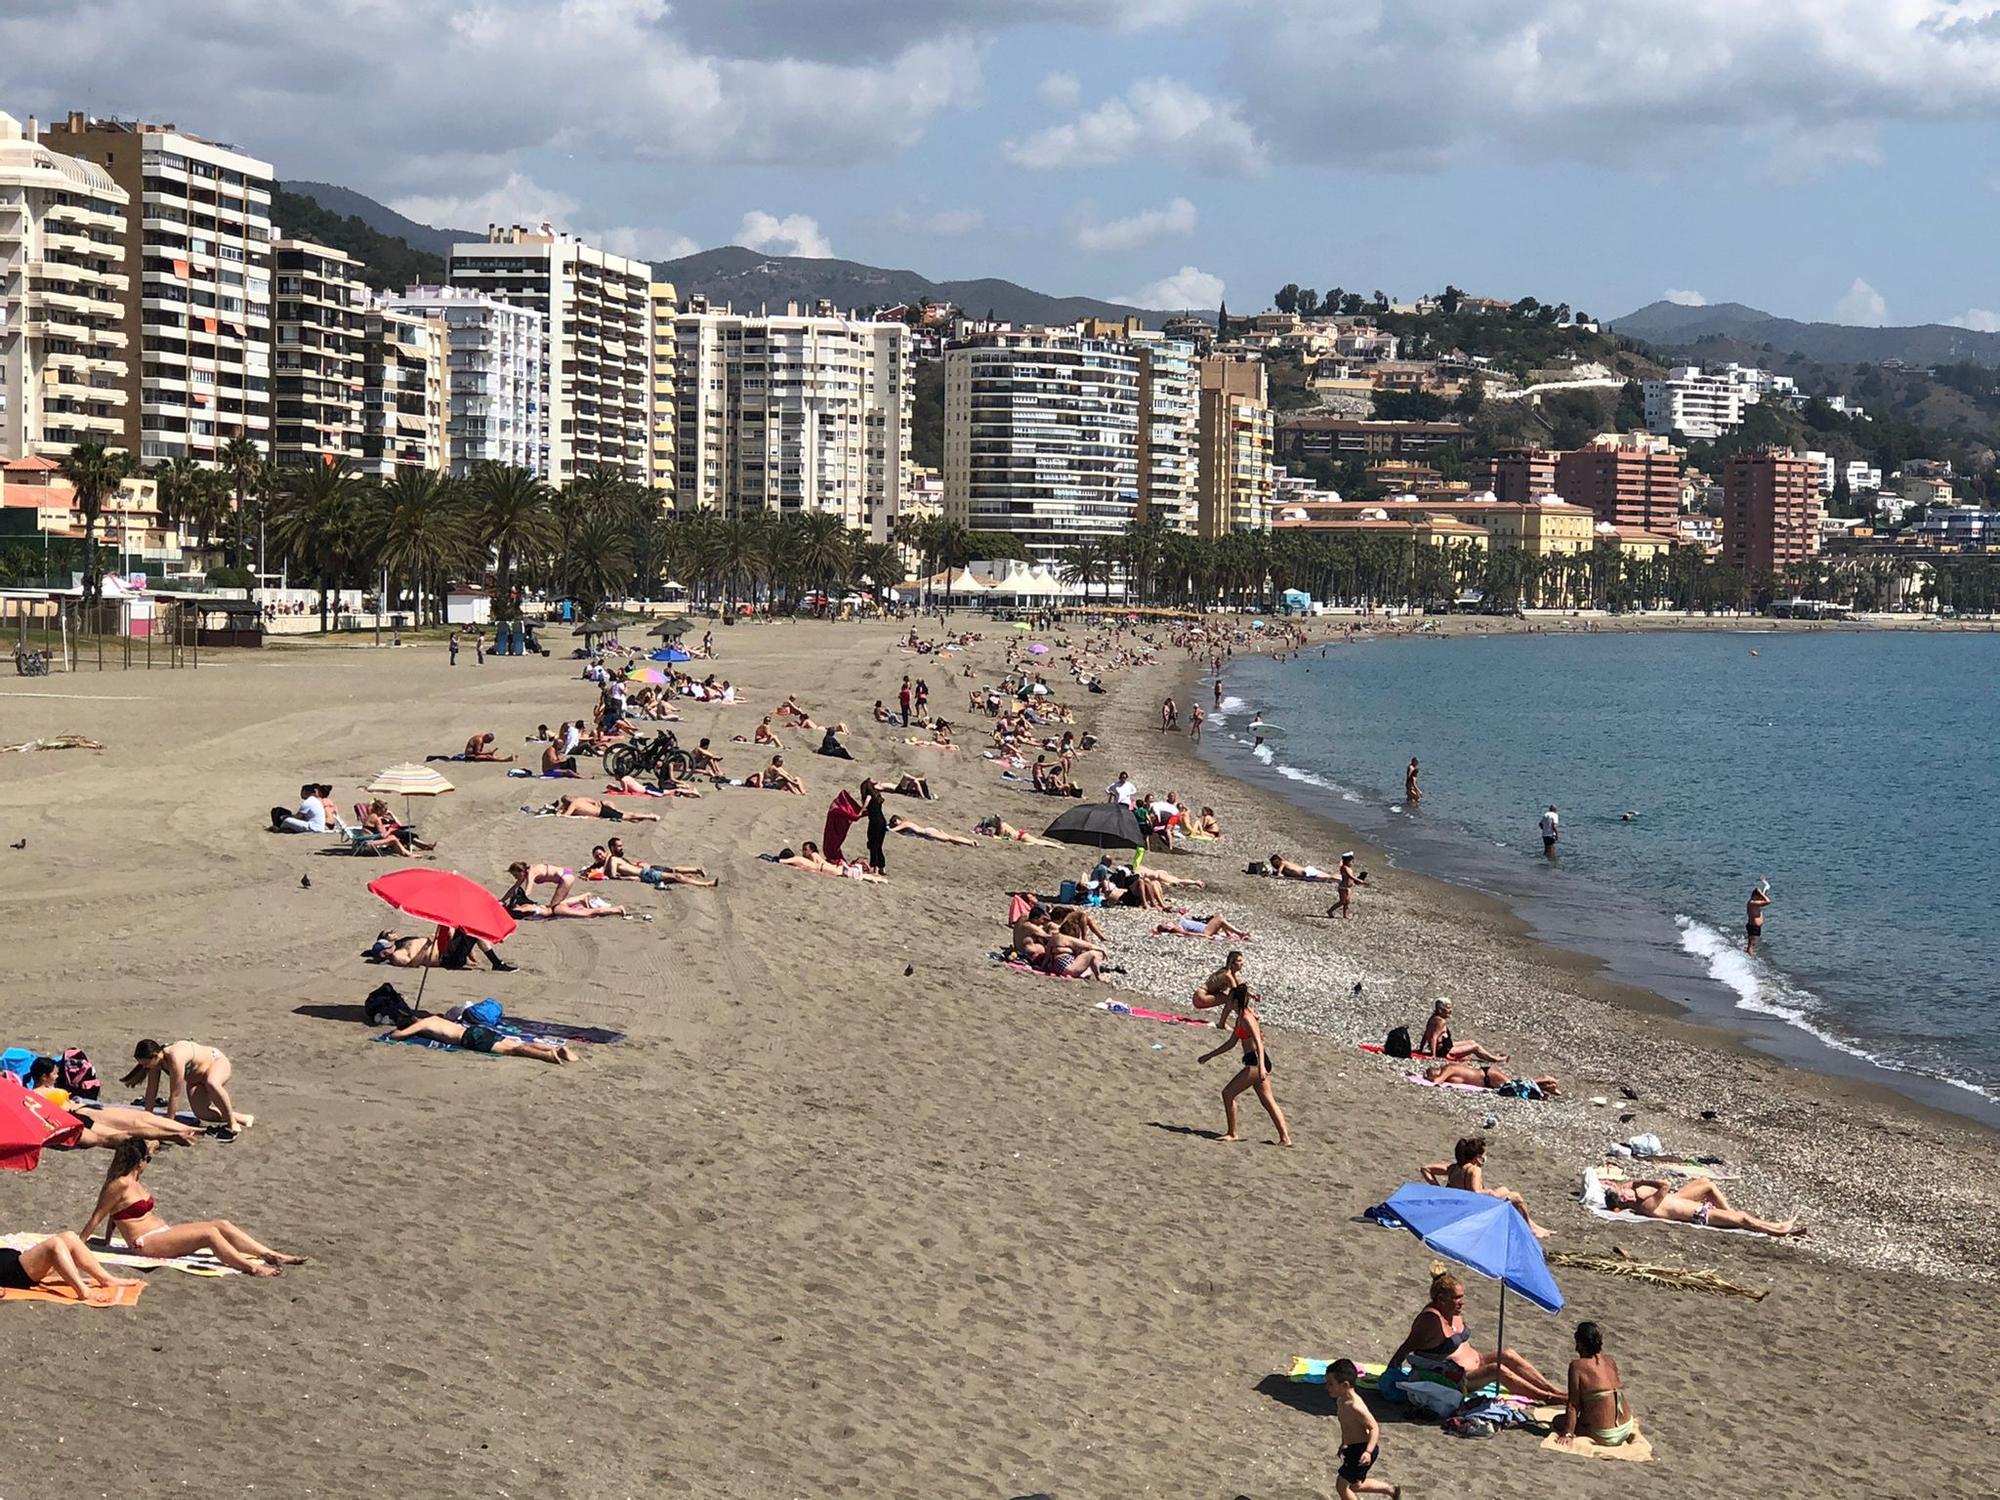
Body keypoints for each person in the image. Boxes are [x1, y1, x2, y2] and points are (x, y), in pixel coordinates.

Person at [81, 1141, 306, 1276]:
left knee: (221, 1224)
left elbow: (115, 1214)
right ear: (138, 1160)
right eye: (147, 1158)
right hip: (145, 1242)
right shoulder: (118, 1184)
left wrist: (108, 1240)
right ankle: (251, 1267)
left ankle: (270, 1254)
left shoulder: (134, 1180)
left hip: (161, 1233)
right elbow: (99, 1215)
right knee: (209, 1234)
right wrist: (80, 1244)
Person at [1386, 1267, 1565, 1404]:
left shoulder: (1453, 1312)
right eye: (1457, 1298)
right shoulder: (1430, 1321)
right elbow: (1406, 1347)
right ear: (1441, 1299)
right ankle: (1548, 1397)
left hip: (1478, 1360)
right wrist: (1389, 1374)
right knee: (1498, 1369)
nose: (1461, 1302)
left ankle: (1551, 1389)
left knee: (1508, 1354)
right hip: (1458, 1378)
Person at [1196, 986, 1291, 1146]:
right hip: (1254, 1061)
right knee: (1268, 1101)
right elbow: (1231, 1043)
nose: (1227, 1002)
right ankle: (1285, 1138)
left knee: (1228, 1093)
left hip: (1256, 1062)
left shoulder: (1247, 1018)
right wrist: (1209, 1055)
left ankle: (1232, 1133)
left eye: (1230, 999)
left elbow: (1259, 1043)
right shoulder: (1241, 1017)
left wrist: (1261, 1067)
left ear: (1235, 1001)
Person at [1420, 1135, 1550, 1239]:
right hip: (1473, 1208)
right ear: (1477, 1157)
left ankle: (1534, 1225)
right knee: (1517, 1198)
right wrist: (1490, 1192)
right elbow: (1476, 1193)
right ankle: (1530, 1229)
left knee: (1504, 1189)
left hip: (1458, 1204)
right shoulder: (1474, 1170)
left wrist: (1438, 1190)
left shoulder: (1453, 1168)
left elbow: (1425, 1168)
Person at [1602, 1176, 1804, 1238]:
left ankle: (1776, 1225)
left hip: (1695, 1209)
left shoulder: (1639, 1201)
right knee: (1742, 1218)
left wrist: (1622, 1186)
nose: (1627, 1192)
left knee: (1706, 1184)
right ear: (1625, 1202)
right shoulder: (1646, 1204)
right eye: (1624, 1195)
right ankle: (1776, 1231)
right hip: (1700, 1215)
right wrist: (1638, 1182)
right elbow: (1665, 1185)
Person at [122, 1040, 245, 1140]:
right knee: (202, 1114)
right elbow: (151, 1091)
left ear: (155, 1056)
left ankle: (232, 1124)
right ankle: (242, 1118)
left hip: (216, 1062)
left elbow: (175, 1094)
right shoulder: (155, 1063)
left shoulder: (174, 1057)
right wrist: (147, 1118)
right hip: (196, 1080)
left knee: (212, 1083)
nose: (144, 1067)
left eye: (145, 1063)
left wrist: (168, 1124)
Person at [1325, 1359, 1399, 1499]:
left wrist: (1368, 1451)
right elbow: (1347, 1426)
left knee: (1341, 1486)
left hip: (1362, 1450)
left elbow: (1374, 1428)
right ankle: (1391, 1490)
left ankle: (1390, 1490)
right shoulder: (1341, 1400)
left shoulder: (1355, 1406)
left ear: (1345, 1385)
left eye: (1331, 1384)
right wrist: (1344, 1443)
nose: (1327, 1387)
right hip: (1352, 1448)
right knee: (1355, 1485)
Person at [0, 1231, 144, 1301]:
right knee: (55, 1245)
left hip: (15, 1260)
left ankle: (106, 1279)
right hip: (15, 1271)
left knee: (69, 1237)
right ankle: (83, 1291)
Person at [1559, 1322, 1636, 1448]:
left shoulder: (1577, 1366)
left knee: (1558, 1421)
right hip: (1626, 1426)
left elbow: (1573, 1405)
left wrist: (1568, 1434)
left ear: (1580, 1344)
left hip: (1605, 1435)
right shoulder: (1610, 1361)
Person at [389, 1015, 576, 1063]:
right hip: (475, 1029)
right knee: (518, 1044)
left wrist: (395, 1032)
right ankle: (560, 1051)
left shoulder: (425, 1024)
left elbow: (399, 1035)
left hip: (469, 1038)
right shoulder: (436, 1018)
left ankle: (547, 1056)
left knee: (511, 1051)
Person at [370, 926, 518, 973]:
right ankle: (497, 963)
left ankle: (495, 962)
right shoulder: (396, 956)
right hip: (447, 958)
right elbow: (414, 964)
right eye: (386, 946)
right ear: (384, 953)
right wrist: (428, 944)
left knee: (466, 927)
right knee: (474, 932)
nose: (390, 945)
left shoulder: (400, 944)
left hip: (446, 949)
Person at [591, 839, 717, 887]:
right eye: (597, 856)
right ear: (612, 848)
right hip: (644, 874)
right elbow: (614, 877)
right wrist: (631, 878)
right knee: (676, 876)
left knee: (675, 875)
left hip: (645, 871)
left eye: (601, 854)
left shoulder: (613, 859)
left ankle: (696, 876)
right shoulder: (612, 860)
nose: (600, 856)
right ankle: (705, 884)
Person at [1418, 1000, 1506, 1063]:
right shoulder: (1441, 1022)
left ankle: (1492, 1057)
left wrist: (1420, 1049)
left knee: (1471, 1042)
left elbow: (1426, 1034)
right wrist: (1433, 1055)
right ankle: (1496, 1059)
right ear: (1441, 1010)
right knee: (1475, 1047)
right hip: (1444, 1050)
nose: (1450, 1010)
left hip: (1445, 1046)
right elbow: (1434, 1037)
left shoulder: (1433, 1018)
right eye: (1448, 1008)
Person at [1421, 1061, 1561, 1097]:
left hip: (1487, 1076)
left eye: (1432, 1072)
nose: (1432, 1074)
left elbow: (1437, 1081)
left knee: (1513, 1085)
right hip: (1485, 1077)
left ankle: (1542, 1079)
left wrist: (1428, 1079)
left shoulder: (1448, 1069)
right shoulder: (1450, 1070)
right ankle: (1546, 1087)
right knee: (1513, 1088)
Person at [1192, 950, 1249, 1023]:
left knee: (1231, 997)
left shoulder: (1229, 972)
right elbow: (1237, 992)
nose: (1242, 963)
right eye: (1239, 961)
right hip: (1201, 997)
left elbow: (1240, 988)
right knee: (1230, 999)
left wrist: (1252, 995)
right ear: (1232, 963)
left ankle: (1225, 1023)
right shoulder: (1227, 975)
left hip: (1200, 996)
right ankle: (1223, 1023)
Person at [503, 860, 577, 910]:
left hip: (565, 878)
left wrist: (519, 903)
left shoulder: (531, 872)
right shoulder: (525, 873)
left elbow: (528, 889)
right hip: (566, 876)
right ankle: (580, 902)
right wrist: (502, 900)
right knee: (558, 906)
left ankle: (582, 899)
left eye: (516, 875)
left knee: (553, 909)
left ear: (521, 871)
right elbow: (514, 888)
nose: (515, 877)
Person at [554, 794, 659, 822]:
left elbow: (566, 816)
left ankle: (649, 816)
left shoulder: (574, 805)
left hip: (601, 813)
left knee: (627, 816)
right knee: (626, 815)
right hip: (602, 809)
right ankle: (646, 817)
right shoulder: (580, 799)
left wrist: (560, 812)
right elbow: (595, 802)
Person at [973, 815, 1063, 848]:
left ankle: (1056, 846)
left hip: (1022, 836)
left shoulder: (1002, 827)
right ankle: (1054, 845)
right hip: (1020, 837)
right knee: (1036, 842)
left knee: (1038, 842)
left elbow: (1003, 838)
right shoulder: (1001, 826)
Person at [887, 814, 977, 846]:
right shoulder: (905, 825)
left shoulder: (906, 823)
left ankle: (970, 842)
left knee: (950, 838)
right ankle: (968, 842)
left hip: (927, 832)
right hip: (927, 833)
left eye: (895, 821)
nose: (895, 823)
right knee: (950, 839)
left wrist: (889, 828)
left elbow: (893, 830)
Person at [862, 781, 889, 874]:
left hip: (874, 822)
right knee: (879, 846)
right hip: (882, 822)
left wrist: (860, 811)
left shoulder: (869, 796)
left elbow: (866, 804)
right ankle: (882, 867)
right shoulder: (877, 795)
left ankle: (874, 868)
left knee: (873, 845)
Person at [1154, 913, 1250, 939]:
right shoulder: (1177, 928)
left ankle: (1229, 934)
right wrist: (1204, 936)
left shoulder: (1178, 925)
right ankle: (1240, 933)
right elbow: (1188, 934)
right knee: (1220, 918)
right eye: (1166, 924)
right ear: (1169, 928)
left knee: (1219, 918)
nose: (1168, 922)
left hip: (1205, 927)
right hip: (1205, 930)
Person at [1328, 852, 1366, 919]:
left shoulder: (1349, 868)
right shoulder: (1344, 868)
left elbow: (1350, 878)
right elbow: (1350, 876)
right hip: (1343, 887)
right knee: (1342, 901)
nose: (1352, 863)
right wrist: (1358, 880)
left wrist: (1357, 879)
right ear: (1347, 861)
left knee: (1347, 902)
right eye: (1351, 861)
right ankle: (1330, 911)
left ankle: (1345, 914)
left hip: (1348, 888)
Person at [1746, 881, 1771, 955]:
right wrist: (1761, 893)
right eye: (1759, 897)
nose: (1760, 898)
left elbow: (1764, 900)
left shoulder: (1754, 903)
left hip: (1754, 926)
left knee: (1751, 944)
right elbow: (1768, 901)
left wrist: (1764, 883)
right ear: (1755, 896)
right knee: (1752, 945)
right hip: (1754, 927)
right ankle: (1749, 959)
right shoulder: (1752, 903)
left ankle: (1749, 956)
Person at [1270, 854, 1334, 881]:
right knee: (1328, 876)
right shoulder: (1284, 865)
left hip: (1307, 872)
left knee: (1329, 876)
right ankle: (1341, 878)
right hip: (1306, 872)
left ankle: (1342, 878)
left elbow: (1279, 874)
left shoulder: (1283, 863)